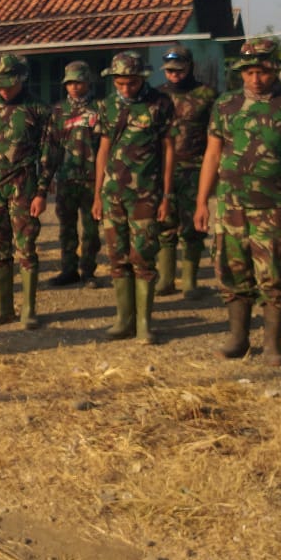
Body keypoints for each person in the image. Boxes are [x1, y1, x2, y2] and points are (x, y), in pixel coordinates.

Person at [194, 40, 281, 365]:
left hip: (276, 208)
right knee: (232, 270)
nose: (256, 79)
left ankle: (272, 345)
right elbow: (212, 154)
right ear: (241, 73)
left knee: (277, 272)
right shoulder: (226, 104)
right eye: (250, 72)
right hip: (231, 206)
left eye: (263, 71)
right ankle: (238, 338)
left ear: (275, 69)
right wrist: (201, 203)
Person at [91, 51, 175, 344]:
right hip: (113, 194)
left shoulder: (160, 104)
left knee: (143, 255)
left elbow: (168, 150)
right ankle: (123, 320)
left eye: (131, 83)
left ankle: (144, 324)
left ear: (142, 78)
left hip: (146, 195)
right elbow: (102, 150)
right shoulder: (106, 107)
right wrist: (98, 194)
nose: (126, 89)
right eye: (120, 83)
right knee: (117, 256)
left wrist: (166, 195)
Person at [0, 54, 52, 329]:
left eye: (8, 84)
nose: (3, 90)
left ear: (21, 79)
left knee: (26, 247)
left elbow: (47, 155)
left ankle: (29, 309)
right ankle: (3, 307)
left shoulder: (38, 109)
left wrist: (41, 193)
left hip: (24, 187)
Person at [154, 45, 217, 299]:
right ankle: (166, 279)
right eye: (169, 70)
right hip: (162, 169)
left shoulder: (207, 95)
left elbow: (216, 137)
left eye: (179, 70)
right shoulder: (156, 96)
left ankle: (190, 281)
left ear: (190, 67)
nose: (174, 75)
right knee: (165, 224)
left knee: (192, 227)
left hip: (195, 168)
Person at [46, 61, 102, 289]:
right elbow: (52, 146)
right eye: (70, 83)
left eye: (78, 82)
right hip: (67, 178)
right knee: (66, 227)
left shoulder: (100, 109)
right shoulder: (58, 111)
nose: (74, 87)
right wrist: (48, 176)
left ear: (88, 82)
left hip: (92, 178)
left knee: (91, 228)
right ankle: (68, 269)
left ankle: (88, 271)